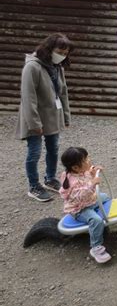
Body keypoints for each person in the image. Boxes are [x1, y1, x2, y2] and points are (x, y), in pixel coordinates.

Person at [15, 33, 74, 202]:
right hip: (34, 117)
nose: (62, 55)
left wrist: (66, 116)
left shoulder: (57, 67)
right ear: (49, 48)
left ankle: (50, 179)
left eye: (65, 53)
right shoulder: (32, 67)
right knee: (34, 152)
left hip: (52, 116)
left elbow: (63, 93)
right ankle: (34, 186)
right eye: (60, 51)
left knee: (53, 148)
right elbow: (28, 97)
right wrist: (34, 123)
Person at [59, 147, 112, 264]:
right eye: (86, 159)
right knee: (96, 220)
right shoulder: (73, 181)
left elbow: (86, 173)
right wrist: (93, 183)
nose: (89, 160)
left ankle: (106, 218)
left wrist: (93, 170)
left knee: (105, 197)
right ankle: (96, 247)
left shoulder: (79, 171)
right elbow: (81, 195)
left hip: (89, 201)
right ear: (75, 167)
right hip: (79, 208)